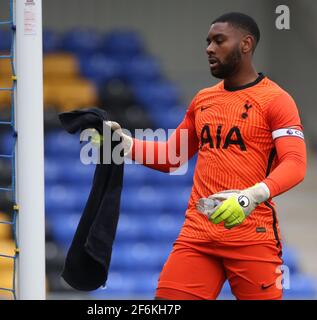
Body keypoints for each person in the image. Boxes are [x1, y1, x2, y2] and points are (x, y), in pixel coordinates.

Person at [105, 12, 306, 300]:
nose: (209, 48)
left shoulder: (276, 100)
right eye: (208, 41)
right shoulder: (203, 99)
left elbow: (296, 164)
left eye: (219, 40)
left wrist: (250, 196)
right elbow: (172, 156)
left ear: (246, 44)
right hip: (198, 236)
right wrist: (124, 143)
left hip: (251, 236)